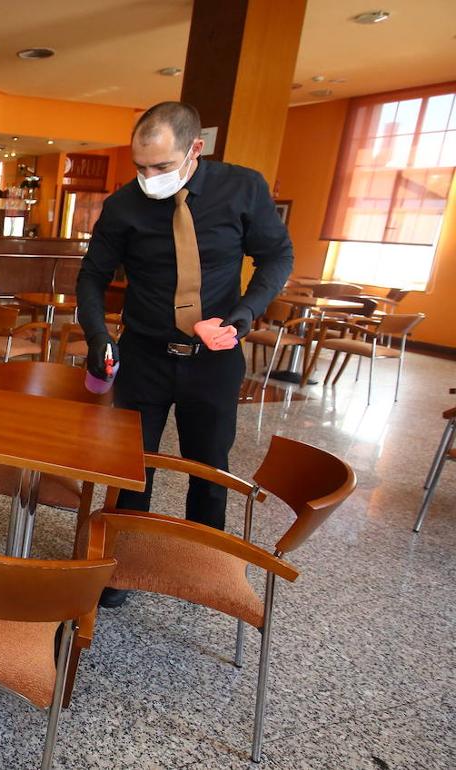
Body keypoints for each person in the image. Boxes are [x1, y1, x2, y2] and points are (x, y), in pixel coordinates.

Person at [76, 101, 293, 605]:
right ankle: (120, 568)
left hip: (214, 357)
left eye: (161, 166)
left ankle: (201, 567)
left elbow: (277, 255)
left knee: (209, 465)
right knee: (132, 466)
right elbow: (92, 274)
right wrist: (96, 334)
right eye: (140, 167)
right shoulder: (124, 204)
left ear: (195, 149)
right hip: (145, 353)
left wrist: (243, 316)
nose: (149, 178)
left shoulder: (243, 188)